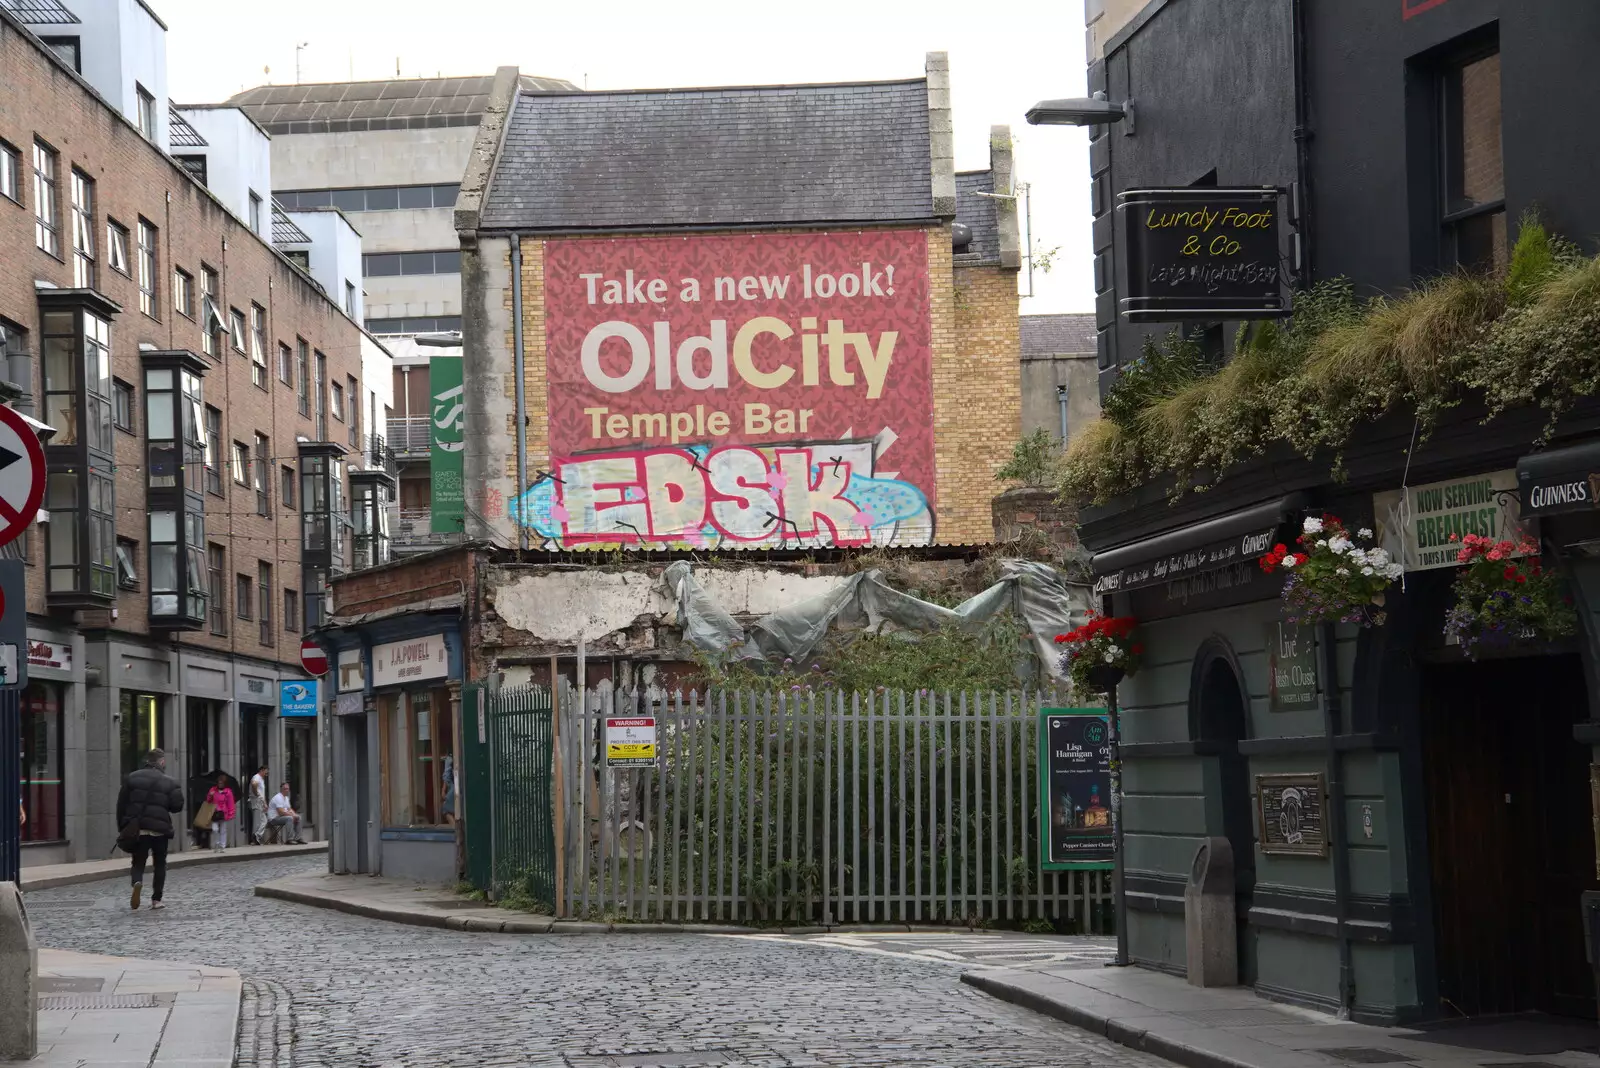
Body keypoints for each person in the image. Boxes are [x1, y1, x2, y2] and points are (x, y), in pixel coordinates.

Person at [116, 748, 184, 911]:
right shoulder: (170, 782)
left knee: (138, 861)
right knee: (160, 863)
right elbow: (177, 806)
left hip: (140, 828)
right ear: (161, 762)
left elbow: (121, 804)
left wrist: (123, 827)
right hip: (160, 829)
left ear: (148, 761)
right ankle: (156, 900)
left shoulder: (132, 778)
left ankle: (137, 882)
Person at [205, 773, 237, 853]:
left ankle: (222, 846)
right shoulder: (213, 790)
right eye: (219, 783)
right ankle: (217, 843)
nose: (220, 784)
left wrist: (231, 814)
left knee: (223, 830)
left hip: (223, 813)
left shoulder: (228, 792)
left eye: (222, 783)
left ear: (225, 784)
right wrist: (210, 795)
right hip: (214, 812)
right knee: (215, 829)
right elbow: (208, 800)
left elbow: (231, 804)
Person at [248, 765, 268, 846]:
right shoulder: (256, 777)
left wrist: (265, 803)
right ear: (262, 770)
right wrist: (256, 794)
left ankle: (257, 836)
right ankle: (255, 837)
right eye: (266, 771)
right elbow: (254, 784)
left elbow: (262, 793)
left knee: (264, 820)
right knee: (258, 820)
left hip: (260, 801)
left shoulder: (261, 780)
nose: (267, 773)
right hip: (257, 801)